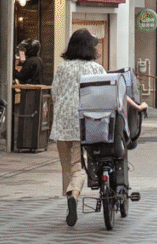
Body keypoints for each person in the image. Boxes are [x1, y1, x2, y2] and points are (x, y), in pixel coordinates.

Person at [49, 29, 146, 226]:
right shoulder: (95, 69)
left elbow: (54, 94)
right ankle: (74, 196)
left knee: (67, 167)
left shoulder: (62, 68)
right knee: (78, 167)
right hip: (83, 122)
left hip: (61, 125)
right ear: (88, 48)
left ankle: (70, 200)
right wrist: (137, 106)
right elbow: (114, 92)